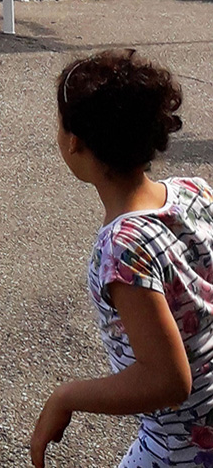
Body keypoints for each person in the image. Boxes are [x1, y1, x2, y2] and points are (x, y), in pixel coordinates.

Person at [31, 50, 212, 468]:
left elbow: (168, 380)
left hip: (180, 450)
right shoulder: (195, 192)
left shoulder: (123, 249)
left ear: (74, 142)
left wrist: (66, 397)